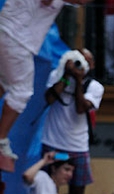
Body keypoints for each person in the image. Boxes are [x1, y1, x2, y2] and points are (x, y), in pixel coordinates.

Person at [0, 0, 92, 160]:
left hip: (9, 33)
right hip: (17, 40)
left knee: (4, 81)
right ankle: (0, 140)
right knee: (22, 92)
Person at [42, 49, 104, 194]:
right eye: (78, 60)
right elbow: (49, 98)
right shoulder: (57, 76)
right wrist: (66, 76)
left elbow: (81, 108)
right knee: (48, 191)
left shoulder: (95, 87)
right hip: (53, 142)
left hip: (77, 147)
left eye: (86, 62)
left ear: (91, 66)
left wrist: (78, 81)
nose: (81, 65)